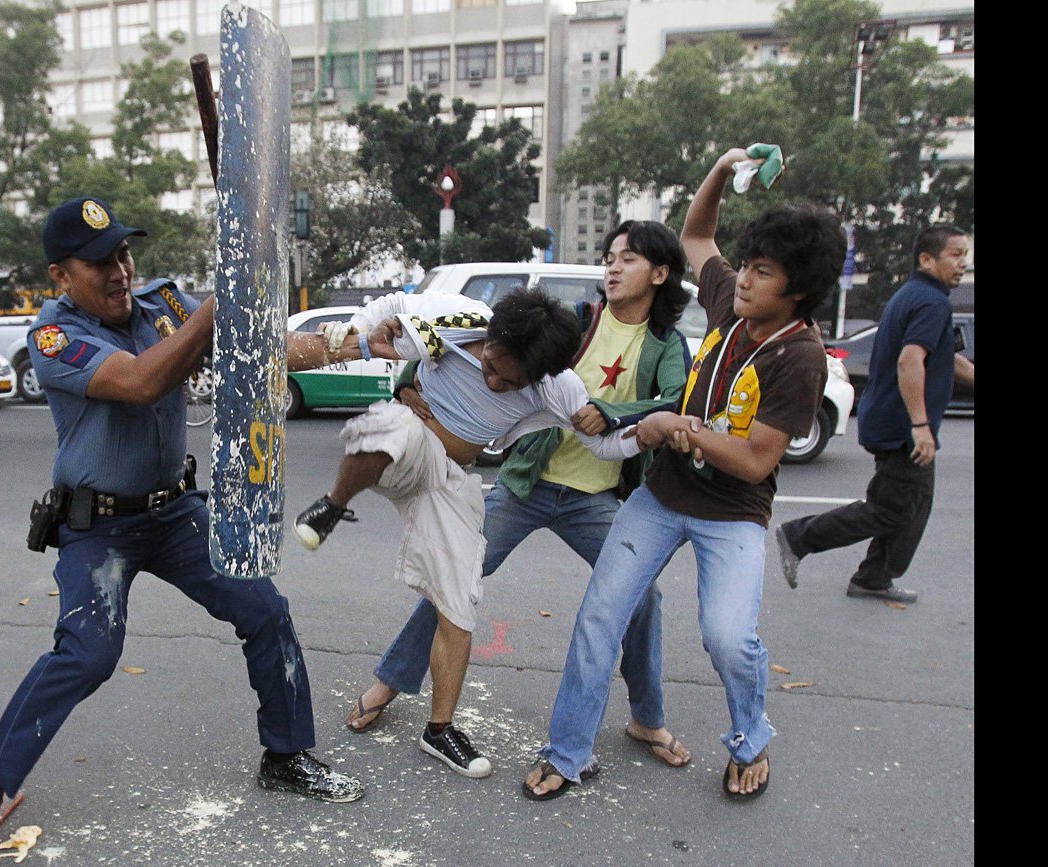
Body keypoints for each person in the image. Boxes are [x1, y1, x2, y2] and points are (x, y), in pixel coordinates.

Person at [0, 196, 371, 867]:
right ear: (60, 276)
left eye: (123, 253)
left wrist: (362, 341)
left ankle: (286, 755)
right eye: (99, 262)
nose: (120, 270)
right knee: (88, 652)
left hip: (174, 513)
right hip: (98, 526)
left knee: (264, 608)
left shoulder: (163, 304)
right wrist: (214, 310)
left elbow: (268, 350)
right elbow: (142, 381)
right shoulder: (53, 338)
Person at [521, 145, 844, 802]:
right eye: (746, 265)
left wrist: (679, 427)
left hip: (733, 513)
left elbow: (756, 459)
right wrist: (722, 171)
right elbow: (697, 234)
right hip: (662, 496)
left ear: (799, 290)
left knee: (728, 638)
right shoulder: (731, 303)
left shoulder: (802, 357)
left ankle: (750, 739)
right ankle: (568, 750)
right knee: (600, 616)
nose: (743, 280)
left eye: (763, 272)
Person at [343, 221, 696, 773]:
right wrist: (409, 378)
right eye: (609, 257)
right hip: (528, 480)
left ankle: (646, 717)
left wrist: (611, 413)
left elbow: (674, 402)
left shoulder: (666, 345)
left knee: (642, 595)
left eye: (627, 259)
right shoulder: (576, 321)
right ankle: (391, 681)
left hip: (594, 495)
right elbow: (460, 343)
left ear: (660, 273)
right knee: (454, 577)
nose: (613, 267)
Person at [293, 287, 659, 779]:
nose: (494, 381)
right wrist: (360, 323)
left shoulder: (559, 388)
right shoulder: (456, 317)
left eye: (510, 382)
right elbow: (394, 304)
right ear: (490, 338)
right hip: (408, 447)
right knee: (392, 427)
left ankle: (439, 729)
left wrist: (641, 431)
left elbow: (603, 445)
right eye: (490, 366)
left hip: (449, 480)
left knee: (459, 600)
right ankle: (333, 505)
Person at [774, 225, 974, 604]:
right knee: (892, 509)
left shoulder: (915, 295)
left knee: (912, 505)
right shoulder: (932, 303)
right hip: (903, 427)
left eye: (965, 254)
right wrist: (920, 425)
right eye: (955, 254)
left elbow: (948, 360)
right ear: (927, 259)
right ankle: (800, 537)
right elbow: (909, 360)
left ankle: (873, 577)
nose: (963, 262)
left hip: (893, 421)